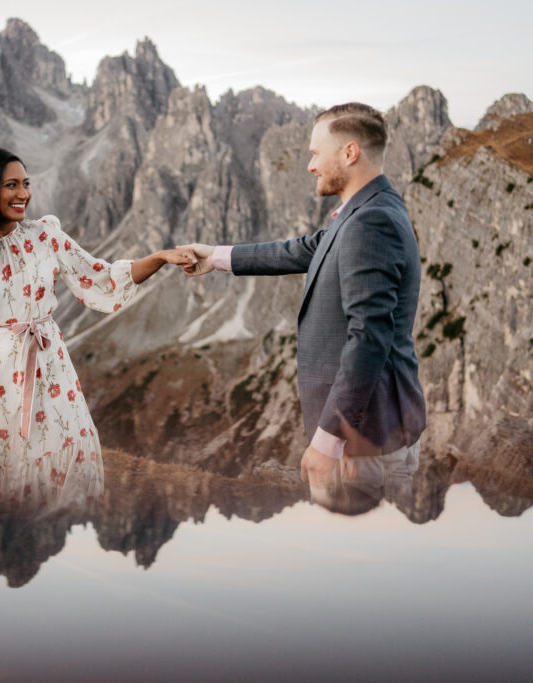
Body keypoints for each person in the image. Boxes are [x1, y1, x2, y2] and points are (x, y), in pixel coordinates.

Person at [0, 148, 193, 510]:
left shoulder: (45, 236)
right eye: (11, 185)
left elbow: (101, 279)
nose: (23, 194)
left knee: (63, 458)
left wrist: (158, 259)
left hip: (51, 368)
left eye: (26, 184)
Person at [180, 102, 426, 486]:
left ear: (349, 152)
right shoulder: (367, 210)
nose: (310, 166)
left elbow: (369, 340)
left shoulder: (371, 221)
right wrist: (216, 256)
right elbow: (306, 248)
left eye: (315, 153)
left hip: (365, 441)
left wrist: (329, 439)